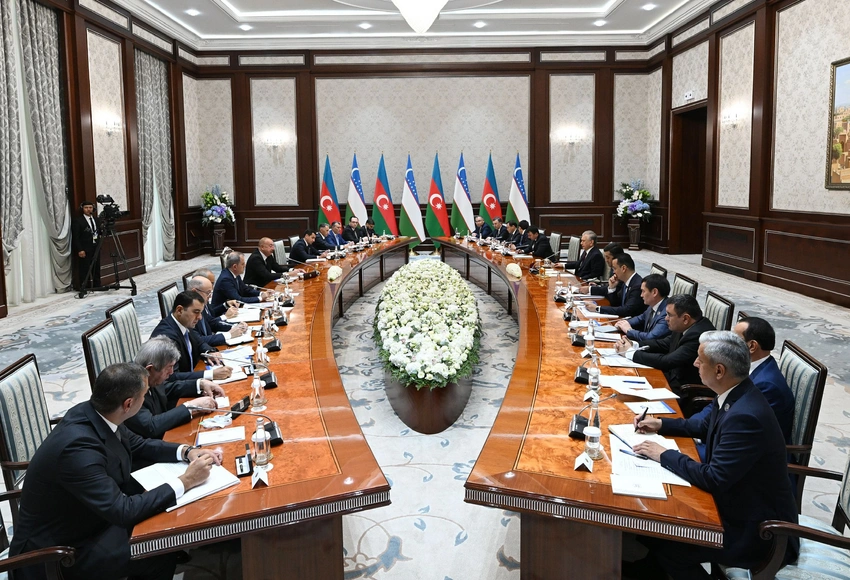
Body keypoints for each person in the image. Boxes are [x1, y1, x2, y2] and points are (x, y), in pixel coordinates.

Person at [8, 363, 221, 580]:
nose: (146, 399)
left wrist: (187, 451)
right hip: (59, 554)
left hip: (90, 520)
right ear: (128, 404)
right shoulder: (77, 450)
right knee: (156, 549)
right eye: (144, 395)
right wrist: (186, 480)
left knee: (160, 520)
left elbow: (138, 444)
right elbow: (123, 511)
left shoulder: (98, 412)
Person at [628, 331, 798, 579]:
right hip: (738, 503)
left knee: (672, 547)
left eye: (700, 359)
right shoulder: (736, 392)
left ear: (719, 370)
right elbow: (703, 425)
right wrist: (661, 424)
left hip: (758, 530)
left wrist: (663, 454)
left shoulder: (746, 416)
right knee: (657, 530)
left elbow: (714, 478)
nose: (695, 363)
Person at [689, 317, 795, 460]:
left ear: (752, 346)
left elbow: (739, 434)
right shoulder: (743, 369)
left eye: (735, 338)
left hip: (748, 459)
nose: (728, 342)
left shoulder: (766, 385)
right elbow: (717, 407)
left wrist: (693, 438)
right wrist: (690, 426)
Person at [125, 337, 224, 439]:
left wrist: (200, 384)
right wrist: (192, 406)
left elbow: (166, 389)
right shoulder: (130, 387)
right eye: (169, 367)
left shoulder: (148, 375)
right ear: (150, 369)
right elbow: (151, 427)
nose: (172, 372)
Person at [615, 294, 715, 390]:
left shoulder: (698, 335)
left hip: (683, 389)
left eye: (669, 315)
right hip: (671, 377)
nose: (666, 318)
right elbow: (663, 344)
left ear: (685, 318)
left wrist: (630, 353)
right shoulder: (684, 325)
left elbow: (667, 361)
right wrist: (633, 344)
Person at [150, 291, 232, 380]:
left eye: (201, 313)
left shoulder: (184, 323)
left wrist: (209, 352)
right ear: (179, 310)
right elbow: (170, 377)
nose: (200, 317)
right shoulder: (166, 338)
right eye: (196, 312)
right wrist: (210, 374)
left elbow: (199, 343)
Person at [186, 275, 247, 347]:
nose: (210, 296)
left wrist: (235, 327)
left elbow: (211, 323)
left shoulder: (200, 304)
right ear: (194, 291)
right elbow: (198, 341)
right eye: (208, 293)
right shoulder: (187, 311)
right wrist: (229, 334)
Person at [582, 253, 645, 317]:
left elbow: (627, 310)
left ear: (623, 268)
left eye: (614, 268)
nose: (613, 272)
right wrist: (612, 288)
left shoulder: (637, 286)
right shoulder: (626, 281)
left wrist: (597, 308)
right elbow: (616, 304)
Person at [614, 273, 671, 342]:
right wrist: (623, 323)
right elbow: (640, 318)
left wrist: (629, 330)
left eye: (643, 291)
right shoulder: (653, 305)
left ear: (654, 292)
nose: (641, 295)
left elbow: (650, 337)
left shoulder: (667, 313)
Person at [71, 201, 101, 290]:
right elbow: (76, 237)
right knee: (84, 268)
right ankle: (84, 286)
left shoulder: (96, 220)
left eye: (90, 207)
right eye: (86, 208)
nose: (88, 209)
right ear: (83, 209)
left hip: (96, 247)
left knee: (96, 267)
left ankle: (97, 285)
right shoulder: (78, 221)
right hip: (85, 248)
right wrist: (80, 249)